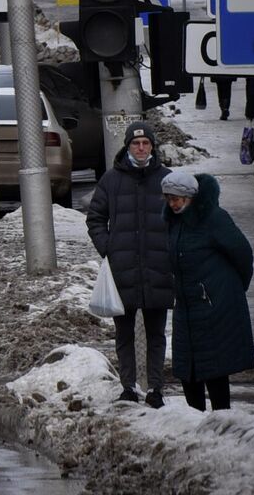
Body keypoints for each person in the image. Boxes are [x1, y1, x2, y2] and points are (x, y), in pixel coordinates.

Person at [85, 122, 173, 407]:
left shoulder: (167, 179)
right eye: (136, 144)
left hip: (158, 268)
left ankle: (156, 389)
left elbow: (181, 219)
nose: (141, 148)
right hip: (122, 270)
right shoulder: (111, 180)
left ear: (152, 147)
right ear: (127, 147)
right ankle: (128, 387)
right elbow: (95, 218)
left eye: (146, 143)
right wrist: (108, 248)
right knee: (124, 334)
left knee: (156, 334)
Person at [163, 170, 254, 411]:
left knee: (215, 369)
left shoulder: (214, 218)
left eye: (177, 199)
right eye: (168, 198)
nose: (172, 204)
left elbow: (243, 254)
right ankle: (197, 426)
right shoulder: (173, 222)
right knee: (188, 370)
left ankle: (221, 425)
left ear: (190, 197)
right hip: (186, 306)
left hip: (214, 307)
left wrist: (230, 290)